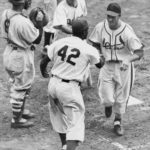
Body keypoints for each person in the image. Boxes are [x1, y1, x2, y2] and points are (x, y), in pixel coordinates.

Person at [40, 19, 103, 150]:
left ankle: (64, 145)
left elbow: (43, 62)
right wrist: (100, 52)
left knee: (59, 116)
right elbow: (100, 64)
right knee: (76, 123)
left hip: (53, 84)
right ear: (85, 32)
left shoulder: (59, 42)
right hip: (69, 89)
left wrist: (45, 73)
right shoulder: (88, 49)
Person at [89, 2, 144, 136]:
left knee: (121, 98)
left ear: (119, 16)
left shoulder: (127, 31)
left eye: (113, 17)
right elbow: (95, 43)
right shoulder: (100, 27)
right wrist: (99, 55)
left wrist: (128, 59)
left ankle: (118, 121)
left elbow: (139, 52)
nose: (110, 19)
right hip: (107, 66)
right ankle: (108, 105)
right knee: (107, 98)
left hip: (123, 68)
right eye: (108, 16)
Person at [1, 0, 45, 128]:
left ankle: (20, 111)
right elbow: (36, 40)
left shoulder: (6, 13)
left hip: (9, 52)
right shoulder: (22, 21)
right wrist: (40, 24)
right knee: (20, 87)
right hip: (20, 56)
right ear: (22, 3)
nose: (29, 2)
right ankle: (16, 120)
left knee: (21, 83)